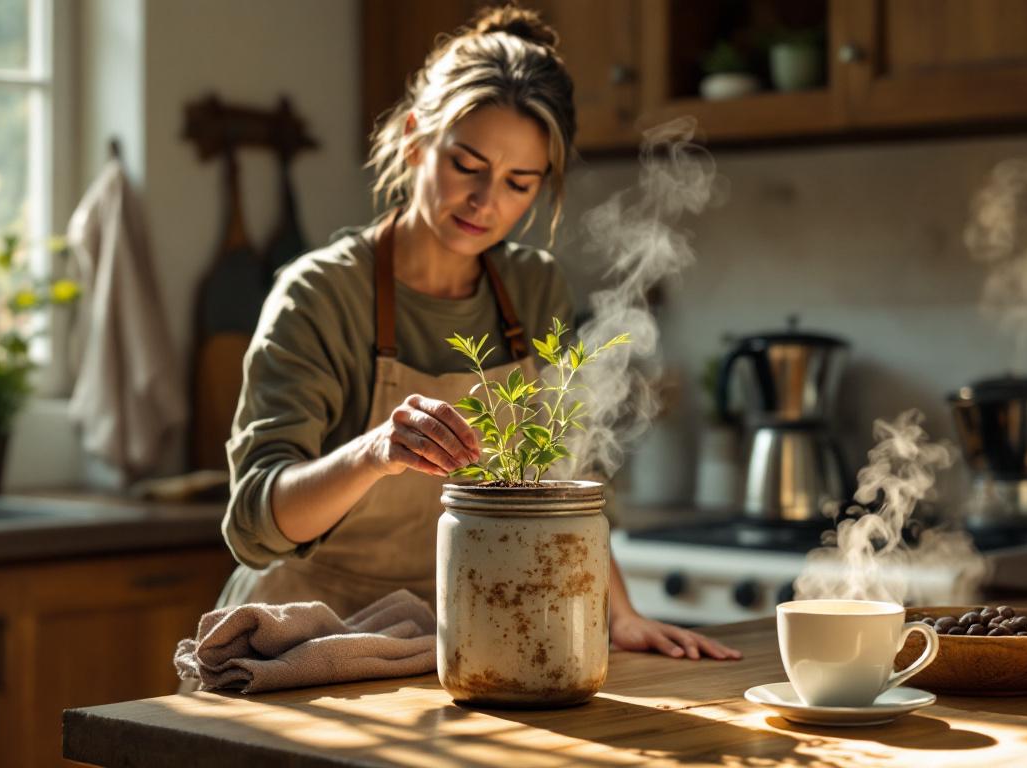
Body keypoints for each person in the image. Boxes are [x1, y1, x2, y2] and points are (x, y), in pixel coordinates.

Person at [219, 5, 740, 661]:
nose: (485, 201)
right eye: (466, 164)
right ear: (415, 140)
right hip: (303, 641)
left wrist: (621, 614)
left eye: (519, 182)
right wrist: (374, 452)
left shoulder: (532, 288)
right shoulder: (320, 292)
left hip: (455, 638)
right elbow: (255, 525)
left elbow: (559, 478)